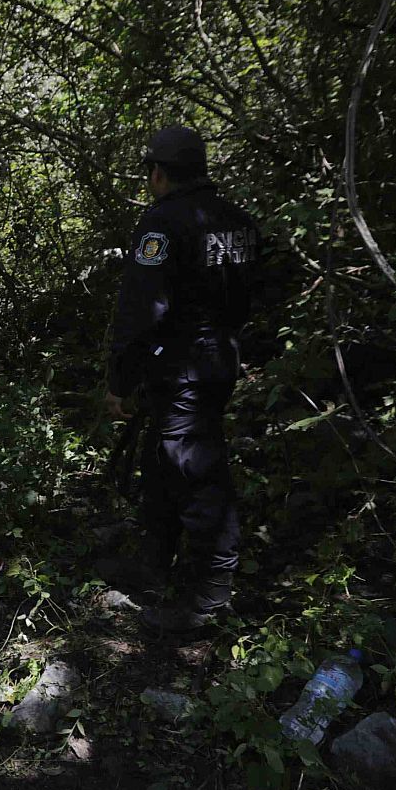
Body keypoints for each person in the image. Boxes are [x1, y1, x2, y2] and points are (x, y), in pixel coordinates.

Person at [103, 126, 259, 635]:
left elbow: (141, 311)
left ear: (159, 172)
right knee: (162, 463)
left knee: (196, 472)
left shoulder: (163, 224)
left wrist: (119, 380)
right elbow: (248, 297)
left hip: (183, 366)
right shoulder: (236, 221)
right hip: (218, 359)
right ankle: (151, 569)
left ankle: (209, 599)